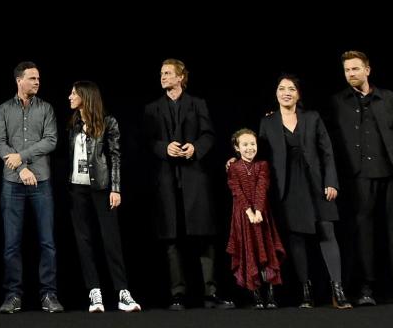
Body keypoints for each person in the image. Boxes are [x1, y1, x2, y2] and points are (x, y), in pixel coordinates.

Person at [329, 51, 393, 305]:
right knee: (364, 233)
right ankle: (365, 289)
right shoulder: (337, 101)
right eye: (347, 70)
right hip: (359, 176)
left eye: (355, 69)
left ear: (367, 70)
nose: (351, 74)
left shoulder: (388, 99)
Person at [143, 58, 233, 311]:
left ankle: (210, 292)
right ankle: (177, 294)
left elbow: (209, 134)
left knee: (204, 235)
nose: (163, 77)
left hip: (195, 177)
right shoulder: (152, 108)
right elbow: (147, 140)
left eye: (168, 73)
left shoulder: (197, 103)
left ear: (181, 77)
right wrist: (163, 147)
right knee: (171, 238)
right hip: (166, 179)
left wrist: (195, 148)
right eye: (161, 73)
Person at [258, 75, 350, 309]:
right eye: (281, 88)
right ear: (276, 93)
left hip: (316, 183)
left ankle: (337, 290)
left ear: (299, 94)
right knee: (296, 238)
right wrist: (235, 161)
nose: (286, 92)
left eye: (291, 88)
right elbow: (259, 157)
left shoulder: (312, 117)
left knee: (326, 231)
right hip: (287, 186)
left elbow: (327, 151)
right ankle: (305, 292)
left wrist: (331, 182)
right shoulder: (267, 122)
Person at [0, 61, 63, 313]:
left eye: (38, 79)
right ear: (19, 80)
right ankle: (13, 296)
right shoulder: (3, 110)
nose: (37, 82)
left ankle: (49, 295)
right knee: (12, 243)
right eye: (32, 78)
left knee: (47, 242)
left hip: (41, 182)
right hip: (13, 183)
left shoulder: (46, 109)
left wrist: (21, 157)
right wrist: (20, 168)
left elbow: (51, 141)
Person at [66, 81, 141, 313]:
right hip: (77, 189)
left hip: (101, 187)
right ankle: (94, 292)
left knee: (111, 240)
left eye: (74, 93)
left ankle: (122, 292)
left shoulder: (108, 122)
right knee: (84, 240)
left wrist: (115, 188)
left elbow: (115, 156)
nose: (69, 97)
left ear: (85, 97)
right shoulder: (73, 123)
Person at [226, 128, 284, 309]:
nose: (250, 148)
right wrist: (249, 212)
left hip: (262, 215)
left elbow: (262, 187)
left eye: (252, 144)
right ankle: (257, 295)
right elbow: (237, 191)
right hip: (243, 217)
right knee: (248, 251)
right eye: (245, 145)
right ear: (237, 147)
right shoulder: (233, 168)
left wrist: (258, 211)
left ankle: (271, 295)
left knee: (266, 250)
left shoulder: (262, 165)